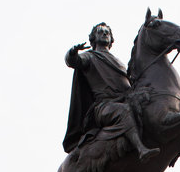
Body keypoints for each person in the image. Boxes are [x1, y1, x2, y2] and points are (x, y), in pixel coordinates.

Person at [63, 22, 158, 160]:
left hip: (125, 99)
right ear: (94, 38)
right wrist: (72, 52)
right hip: (104, 106)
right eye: (100, 32)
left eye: (107, 32)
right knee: (123, 111)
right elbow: (73, 61)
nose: (104, 34)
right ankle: (141, 149)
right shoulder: (89, 56)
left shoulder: (118, 61)